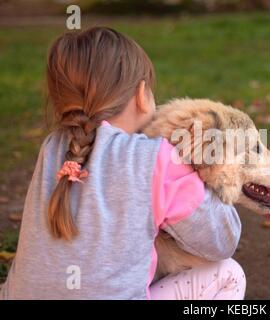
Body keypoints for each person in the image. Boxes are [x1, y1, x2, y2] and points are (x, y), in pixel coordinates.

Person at [0, 27, 245, 300]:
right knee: (229, 274)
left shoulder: (53, 147)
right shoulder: (158, 158)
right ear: (142, 94)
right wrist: (204, 172)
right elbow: (222, 241)